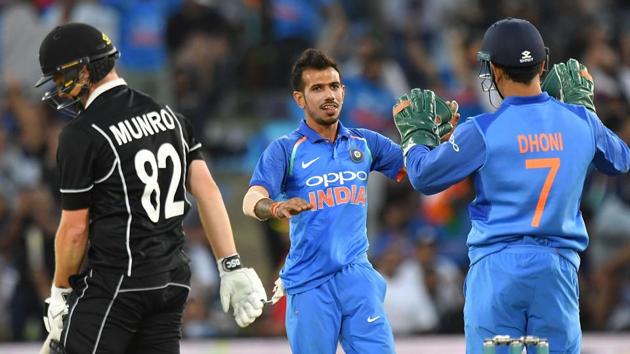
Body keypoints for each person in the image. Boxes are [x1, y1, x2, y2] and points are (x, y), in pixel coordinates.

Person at [393, 18, 630, 354]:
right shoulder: (580, 120)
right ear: (543, 64)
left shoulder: (483, 129)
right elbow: (620, 160)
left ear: (495, 71)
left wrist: (417, 137)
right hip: (557, 268)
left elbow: (423, 177)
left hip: (496, 270)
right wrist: (584, 107)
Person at [34, 23, 267, 354]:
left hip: (117, 283)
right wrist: (230, 264)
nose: (58, 88)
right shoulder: (171, 116)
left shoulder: (81, 133)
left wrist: (60, 291)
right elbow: (208, 191)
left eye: (60, 78)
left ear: (83, 71)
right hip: (170, 283)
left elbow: (74, 229)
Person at [242, 48, 403, 354]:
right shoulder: (285, 149)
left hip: (357, 275)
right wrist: (276, 207)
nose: (329, 95)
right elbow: (251, 199)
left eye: (334, 86)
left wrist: (437, 140)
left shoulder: (364, 142)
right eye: (317, 88)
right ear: (299, 99)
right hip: (309, 282)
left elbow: (417, 167)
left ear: (343, 90)